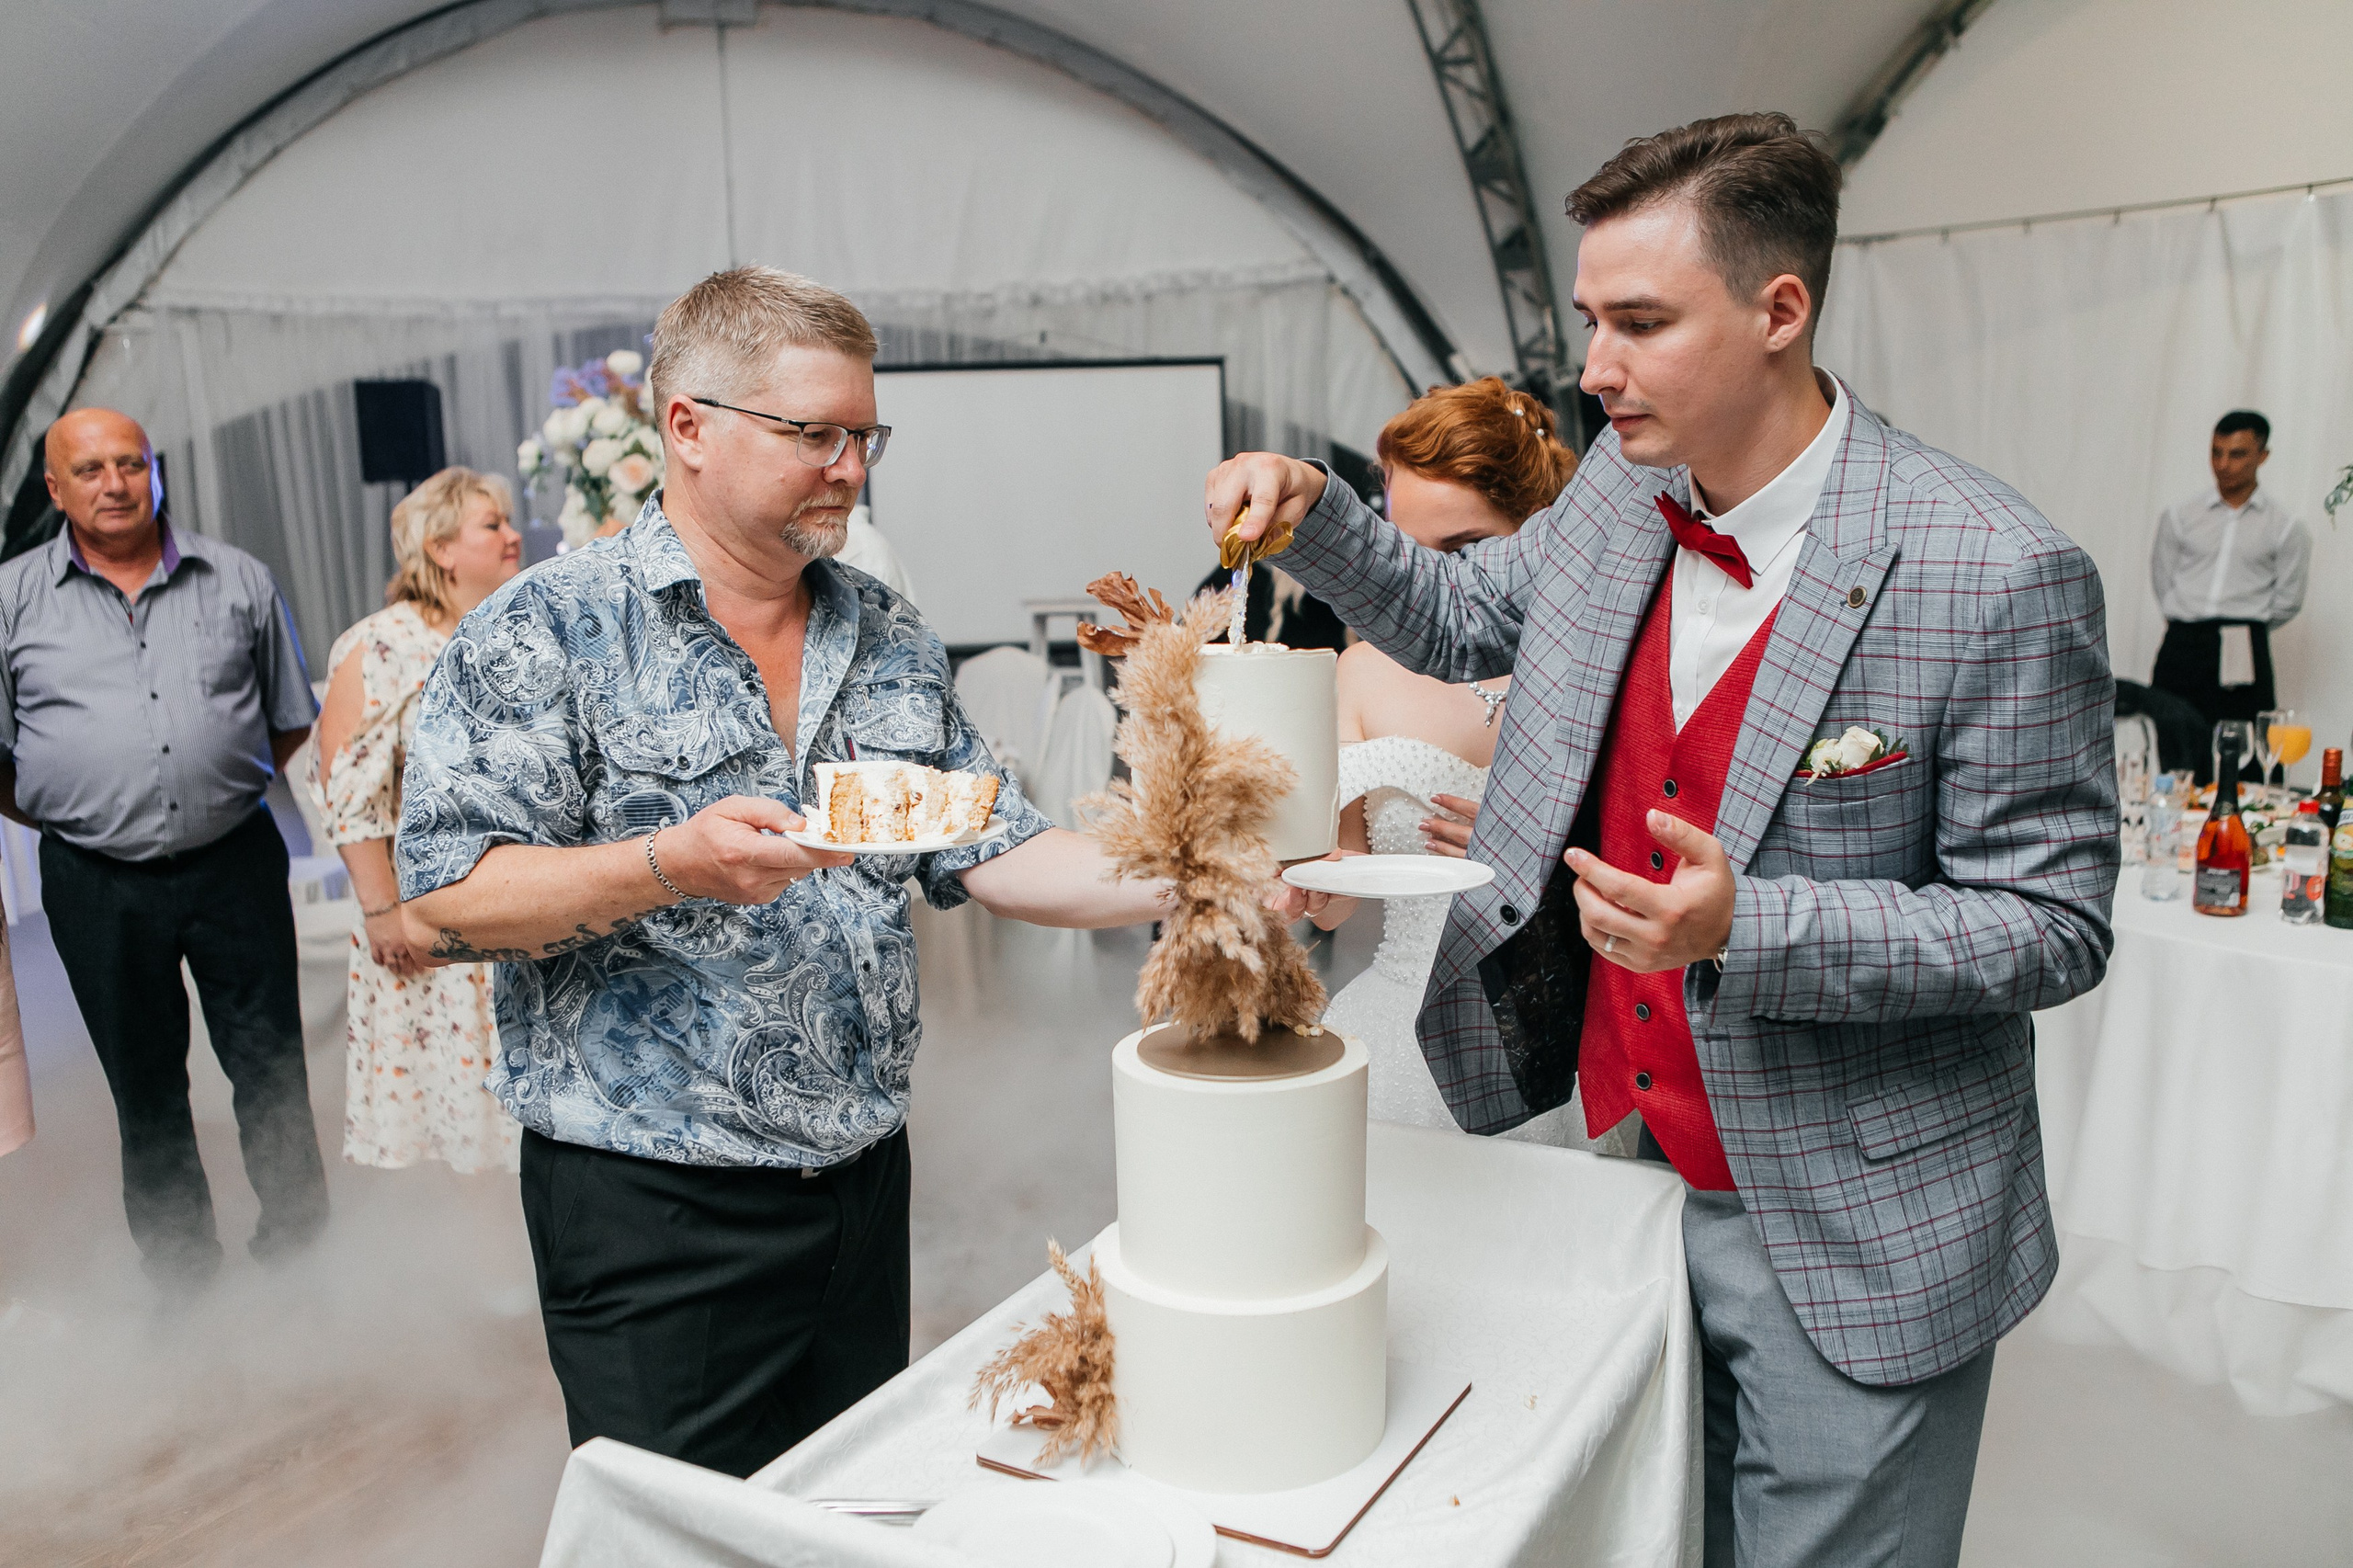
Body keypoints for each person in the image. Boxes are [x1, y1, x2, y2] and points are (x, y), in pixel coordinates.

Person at [1228, 114, 2117, 1567]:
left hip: (1856, 1222)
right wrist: (1317, 512)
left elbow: (2052, 922)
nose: (1592, 367)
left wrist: (1745, 926)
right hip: (1621, 1166)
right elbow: (1462, 618)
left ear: (1782, 311)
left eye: (1640, 322)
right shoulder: (1617, 504)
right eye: (1590, 319)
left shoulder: (1998, 569)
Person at [396, 267, 1175, 1479]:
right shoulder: (550, 626)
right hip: (655, 1202)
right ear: (688, 427)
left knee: (839, 1508)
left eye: (867, 436)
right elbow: (447, 900)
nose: (852, 468)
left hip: (862, 1180)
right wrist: (669, 862)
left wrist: (1201, 869)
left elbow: (997, 842)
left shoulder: (891, 633)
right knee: (683, 1540)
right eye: (814, 433)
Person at [0, 407, 328, 1292]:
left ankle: (301, 1252)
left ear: (157, 471)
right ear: (55, 488)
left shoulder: (238, 580)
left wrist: (204, 794)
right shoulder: (10, 601)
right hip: (95, 881)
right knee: (144, 1084)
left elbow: (287, 719)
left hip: (234, 862)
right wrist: (91, 812)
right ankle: (184, 1277)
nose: (116, 484)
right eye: (93, 469)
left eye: (131, 464)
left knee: (269, 1064)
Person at [1307, 377, 1598, 1143]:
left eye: (1466, 551)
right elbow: (1335, 891)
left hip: (1565, 1048)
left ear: (1536, 535)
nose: (1435, 581)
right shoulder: (1363, 671)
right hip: (1402, 1033)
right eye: (1406, 550)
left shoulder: (1600, 672)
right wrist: (1294, 873)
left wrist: (1543, 867)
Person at [307, 467, 525, 1174]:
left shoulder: (514, 630)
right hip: (427, 915)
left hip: (519, 906)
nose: (514, 535)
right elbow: (350, 795)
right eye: (493, 525)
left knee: (519, 1121)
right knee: (454, 1115)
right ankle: (463, 1266)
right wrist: (382, 913)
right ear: (440, 548)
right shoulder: (381, 647)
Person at [2148, 409, 2310, 729]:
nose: (2223, 465)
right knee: (2173, 739)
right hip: (2183, 637)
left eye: (2236, 454)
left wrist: (2247, 621)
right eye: (2216, 452)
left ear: (2262, 456)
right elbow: (2162, 579)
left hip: (2241, 639)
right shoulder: (2181, 516)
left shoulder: (2285, 526)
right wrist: (2187, 617)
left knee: (2241, 740)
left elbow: (2288, 599)